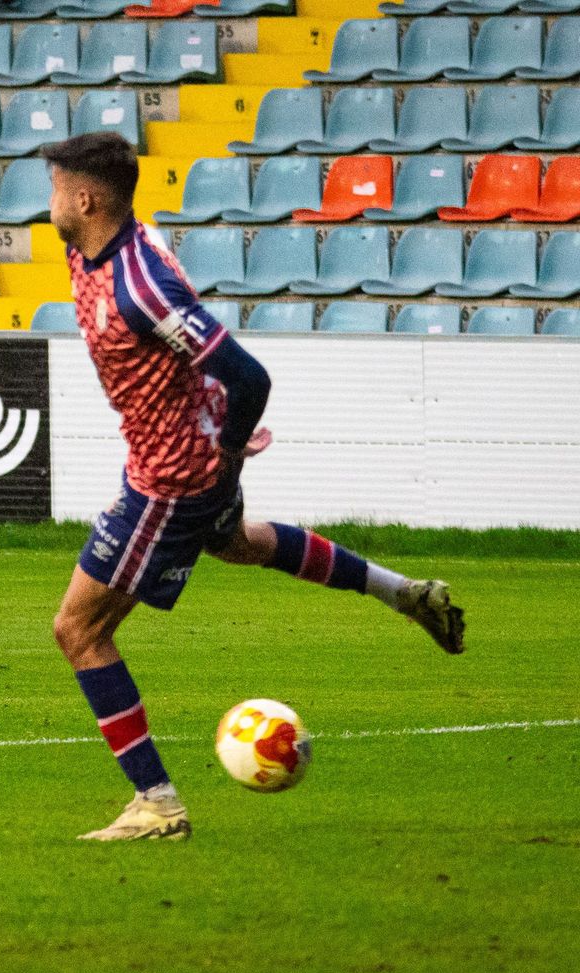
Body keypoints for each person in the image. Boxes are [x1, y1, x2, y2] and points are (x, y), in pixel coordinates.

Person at [39, 132, 466, 842]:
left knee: (78, 629)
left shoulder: (144, 289)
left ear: (85, 199)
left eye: (57, 187)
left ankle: (157, 803)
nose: (48, 200)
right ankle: (406, 592)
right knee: (237, 543)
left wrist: (225, 455)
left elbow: (250, 376)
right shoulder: (87, 248)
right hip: (176, 455)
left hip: (172, 476)